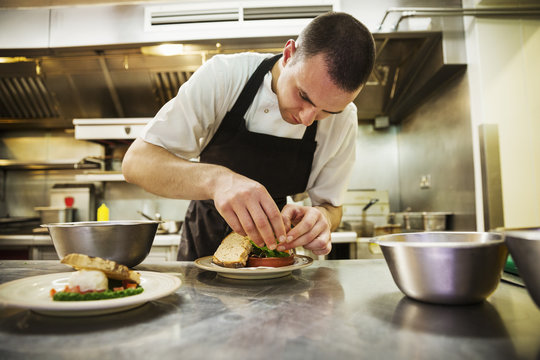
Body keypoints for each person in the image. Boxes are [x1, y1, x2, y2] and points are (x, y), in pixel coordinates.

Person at [122, 11, 375, 260]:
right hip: (203, 248)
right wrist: (217, 180)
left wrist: (322, 219)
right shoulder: (224, 76)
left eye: (328, 111)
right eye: (303, 96)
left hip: (275, 258)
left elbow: (332, 207)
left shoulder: (345, 118)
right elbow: (136, 164)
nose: (307, 118)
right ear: (289, 54)